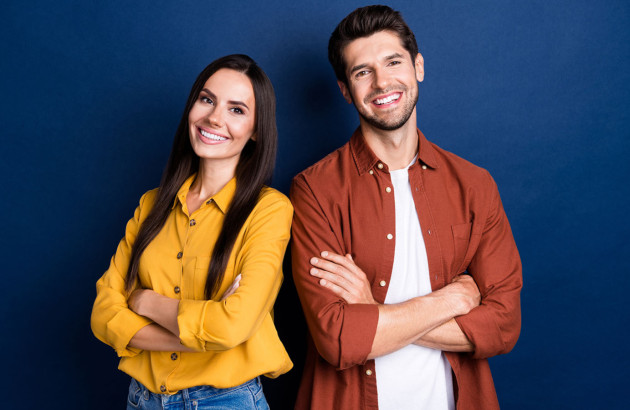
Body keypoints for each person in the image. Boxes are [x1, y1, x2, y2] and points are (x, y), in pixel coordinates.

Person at [290, 6, 522, 410]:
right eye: (363, 72)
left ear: (418, 67)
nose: (382, 82)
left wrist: (374, 314)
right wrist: (451, 300)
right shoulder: (314, 190)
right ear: (346, 90)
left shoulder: (475, 186)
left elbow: (503, 326)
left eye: (393, 62)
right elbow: (338, 338)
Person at [91, 54, 293, 409]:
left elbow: (231, 327)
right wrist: (202, 334)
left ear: (257, 131)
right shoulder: (152, 205)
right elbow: (104, 315)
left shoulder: (268, 210)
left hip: (226, 401)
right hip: (142, 399)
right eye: (207, 99)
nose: (214, 118)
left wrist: (143, 301)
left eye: (237, 110)